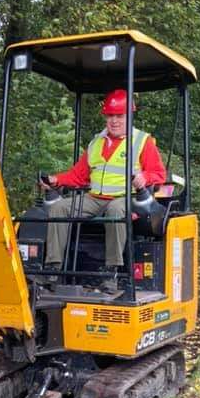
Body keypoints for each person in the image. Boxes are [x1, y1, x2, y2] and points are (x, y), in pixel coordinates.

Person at [41, 89, 166, 290]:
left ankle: (111, 272)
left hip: (126, 198)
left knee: (115, 211)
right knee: (59, 208)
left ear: (130, 116)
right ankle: (54, 269)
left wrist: (145, 177)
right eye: (110, 116)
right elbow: (78, 176)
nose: (114, 121)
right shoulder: (96, 142)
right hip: (94, 198)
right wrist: (56, 180)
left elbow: (159, 174)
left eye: (119, 116)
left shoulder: (143, 142)